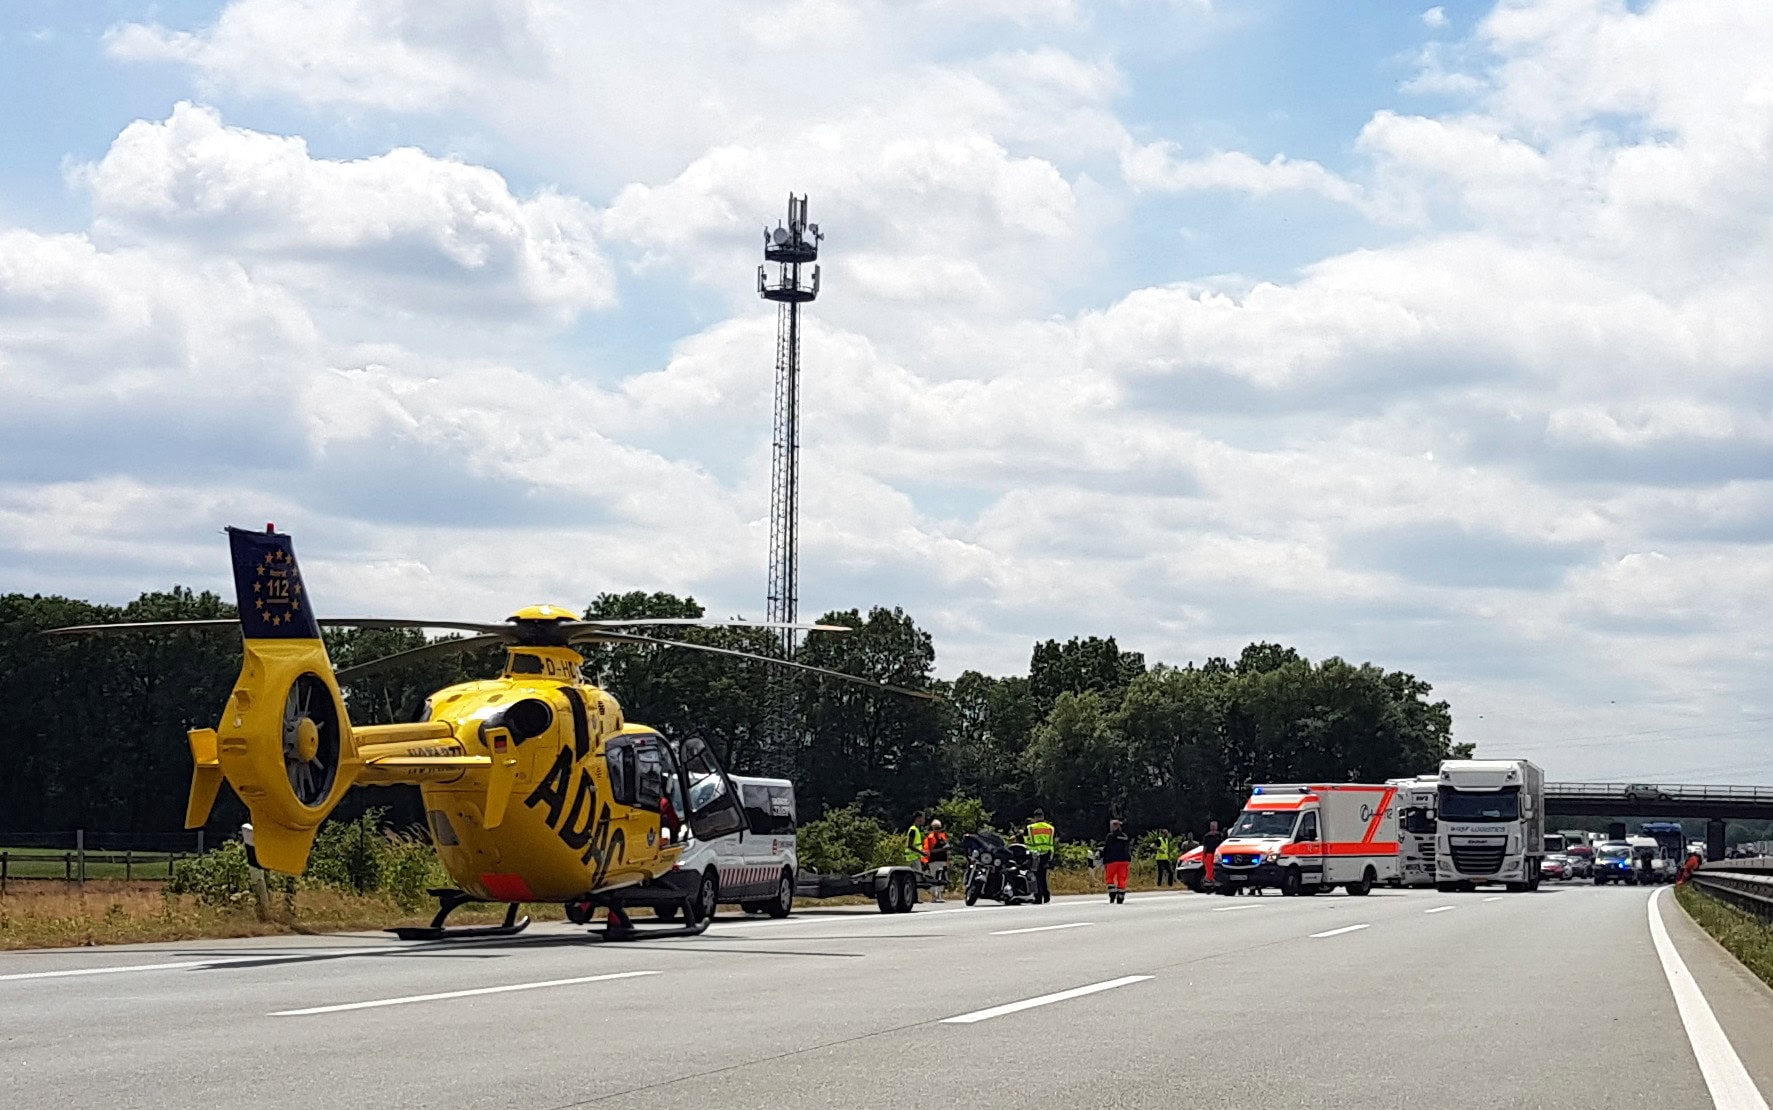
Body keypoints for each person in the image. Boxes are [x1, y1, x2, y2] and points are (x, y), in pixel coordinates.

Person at [1025, 809, 1055, 903]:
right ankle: (1046, 896)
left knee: (1036, 876)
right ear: (1043, 816)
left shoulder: (1030, 827)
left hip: (1035, 854)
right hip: (1047, 853)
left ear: (1035, 817)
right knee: (1043, 876)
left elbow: (1025, 839)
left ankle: (1038, 898)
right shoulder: (1050, 828)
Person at [1102, 818, 1132, 904]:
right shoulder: (1125, 836)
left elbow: (1107, 848)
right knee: (1122, 878)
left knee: (1109, 878)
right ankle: (1120, 896)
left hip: (1113, 860)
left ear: (1114, 826)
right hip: (1124, 860)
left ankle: (1112, 893)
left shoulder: (1110, 836)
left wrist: (1102, 858)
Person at [922, 819, 951, 901]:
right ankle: (934, 896)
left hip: (943, 860)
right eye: (935, 828)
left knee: (942, 878)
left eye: (938, 828)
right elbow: (930, 850)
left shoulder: (943, 836)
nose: (937, 830)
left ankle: (940, 895)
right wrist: (942, 849)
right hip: (934, 861)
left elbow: (947, 849)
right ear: (933, 828)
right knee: (934, 878)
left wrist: (948, 860)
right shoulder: (930, 837)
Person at [904, 812, 925, 902]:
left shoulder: (916, 829)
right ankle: (916, 898)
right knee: (917, 878)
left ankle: (915, 897)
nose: (923, 820)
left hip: (915, 857)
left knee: (915, 878)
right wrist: (921, 852)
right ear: (918, 818)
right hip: (913, 858)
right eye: (922, 818)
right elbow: (910, 845)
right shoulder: (913, 830)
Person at [1201, 819, 1225, 889]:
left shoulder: (1219, 835)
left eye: (1214, 826)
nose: (1213, 827)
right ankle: (1208, 882)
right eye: (1212, 826)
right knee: (1209, 870)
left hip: (1217, 854)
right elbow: (1205, 847)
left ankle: (1215, 881)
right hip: (1209, 854)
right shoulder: (1207, 836)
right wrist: (1203, 856)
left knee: (1216, 869)